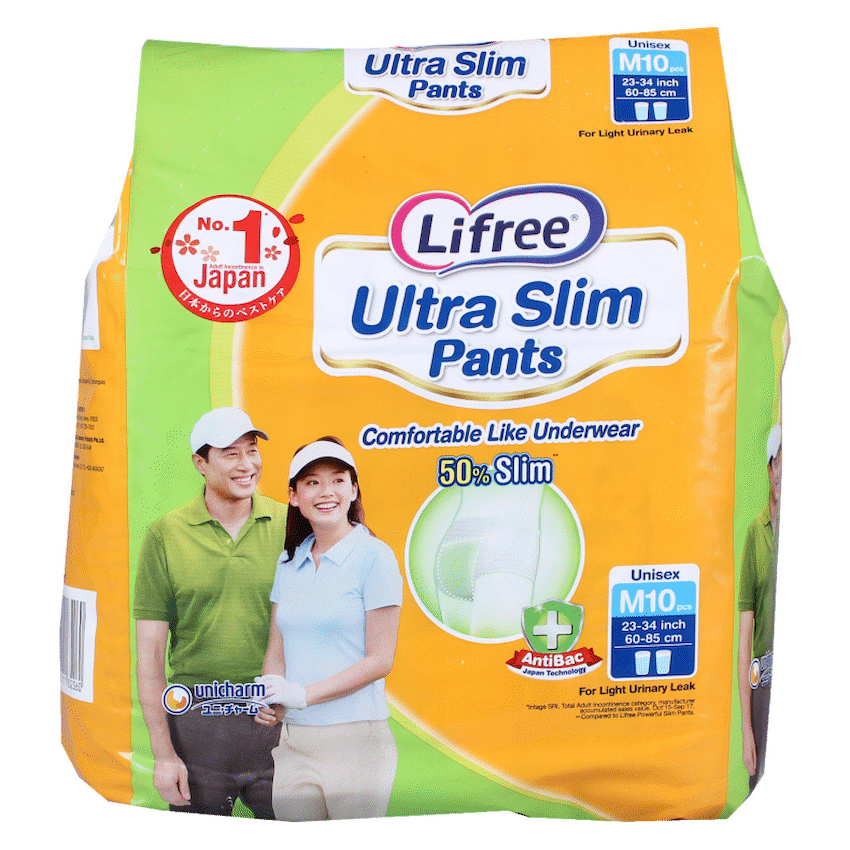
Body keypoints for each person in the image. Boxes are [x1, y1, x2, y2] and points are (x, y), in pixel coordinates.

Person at [133, 407, 288, 819]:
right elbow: (150, 654)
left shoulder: (290, 525)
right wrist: (163, 754)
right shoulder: (165, 535)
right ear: (200, 463)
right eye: (231, 453)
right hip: (196, 727)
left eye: (252, 450)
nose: (247, 464)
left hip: (278, 724)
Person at [254, 437, 403, 823]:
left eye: (338, 480)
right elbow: (277, 650)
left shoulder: (375, 556)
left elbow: (380, 660)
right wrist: (272, 696)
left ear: (353, 490)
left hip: (356, 741)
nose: (326, 492)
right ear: (294, 496)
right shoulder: (289, 562)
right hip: (293, 742)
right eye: (312, 482)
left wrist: (301, 695)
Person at [737, 422, 784, 792]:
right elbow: (745, 638)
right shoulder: (756, 532)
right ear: (770, 470)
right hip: (763, 688)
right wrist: (746, 730)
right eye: (780, 464)